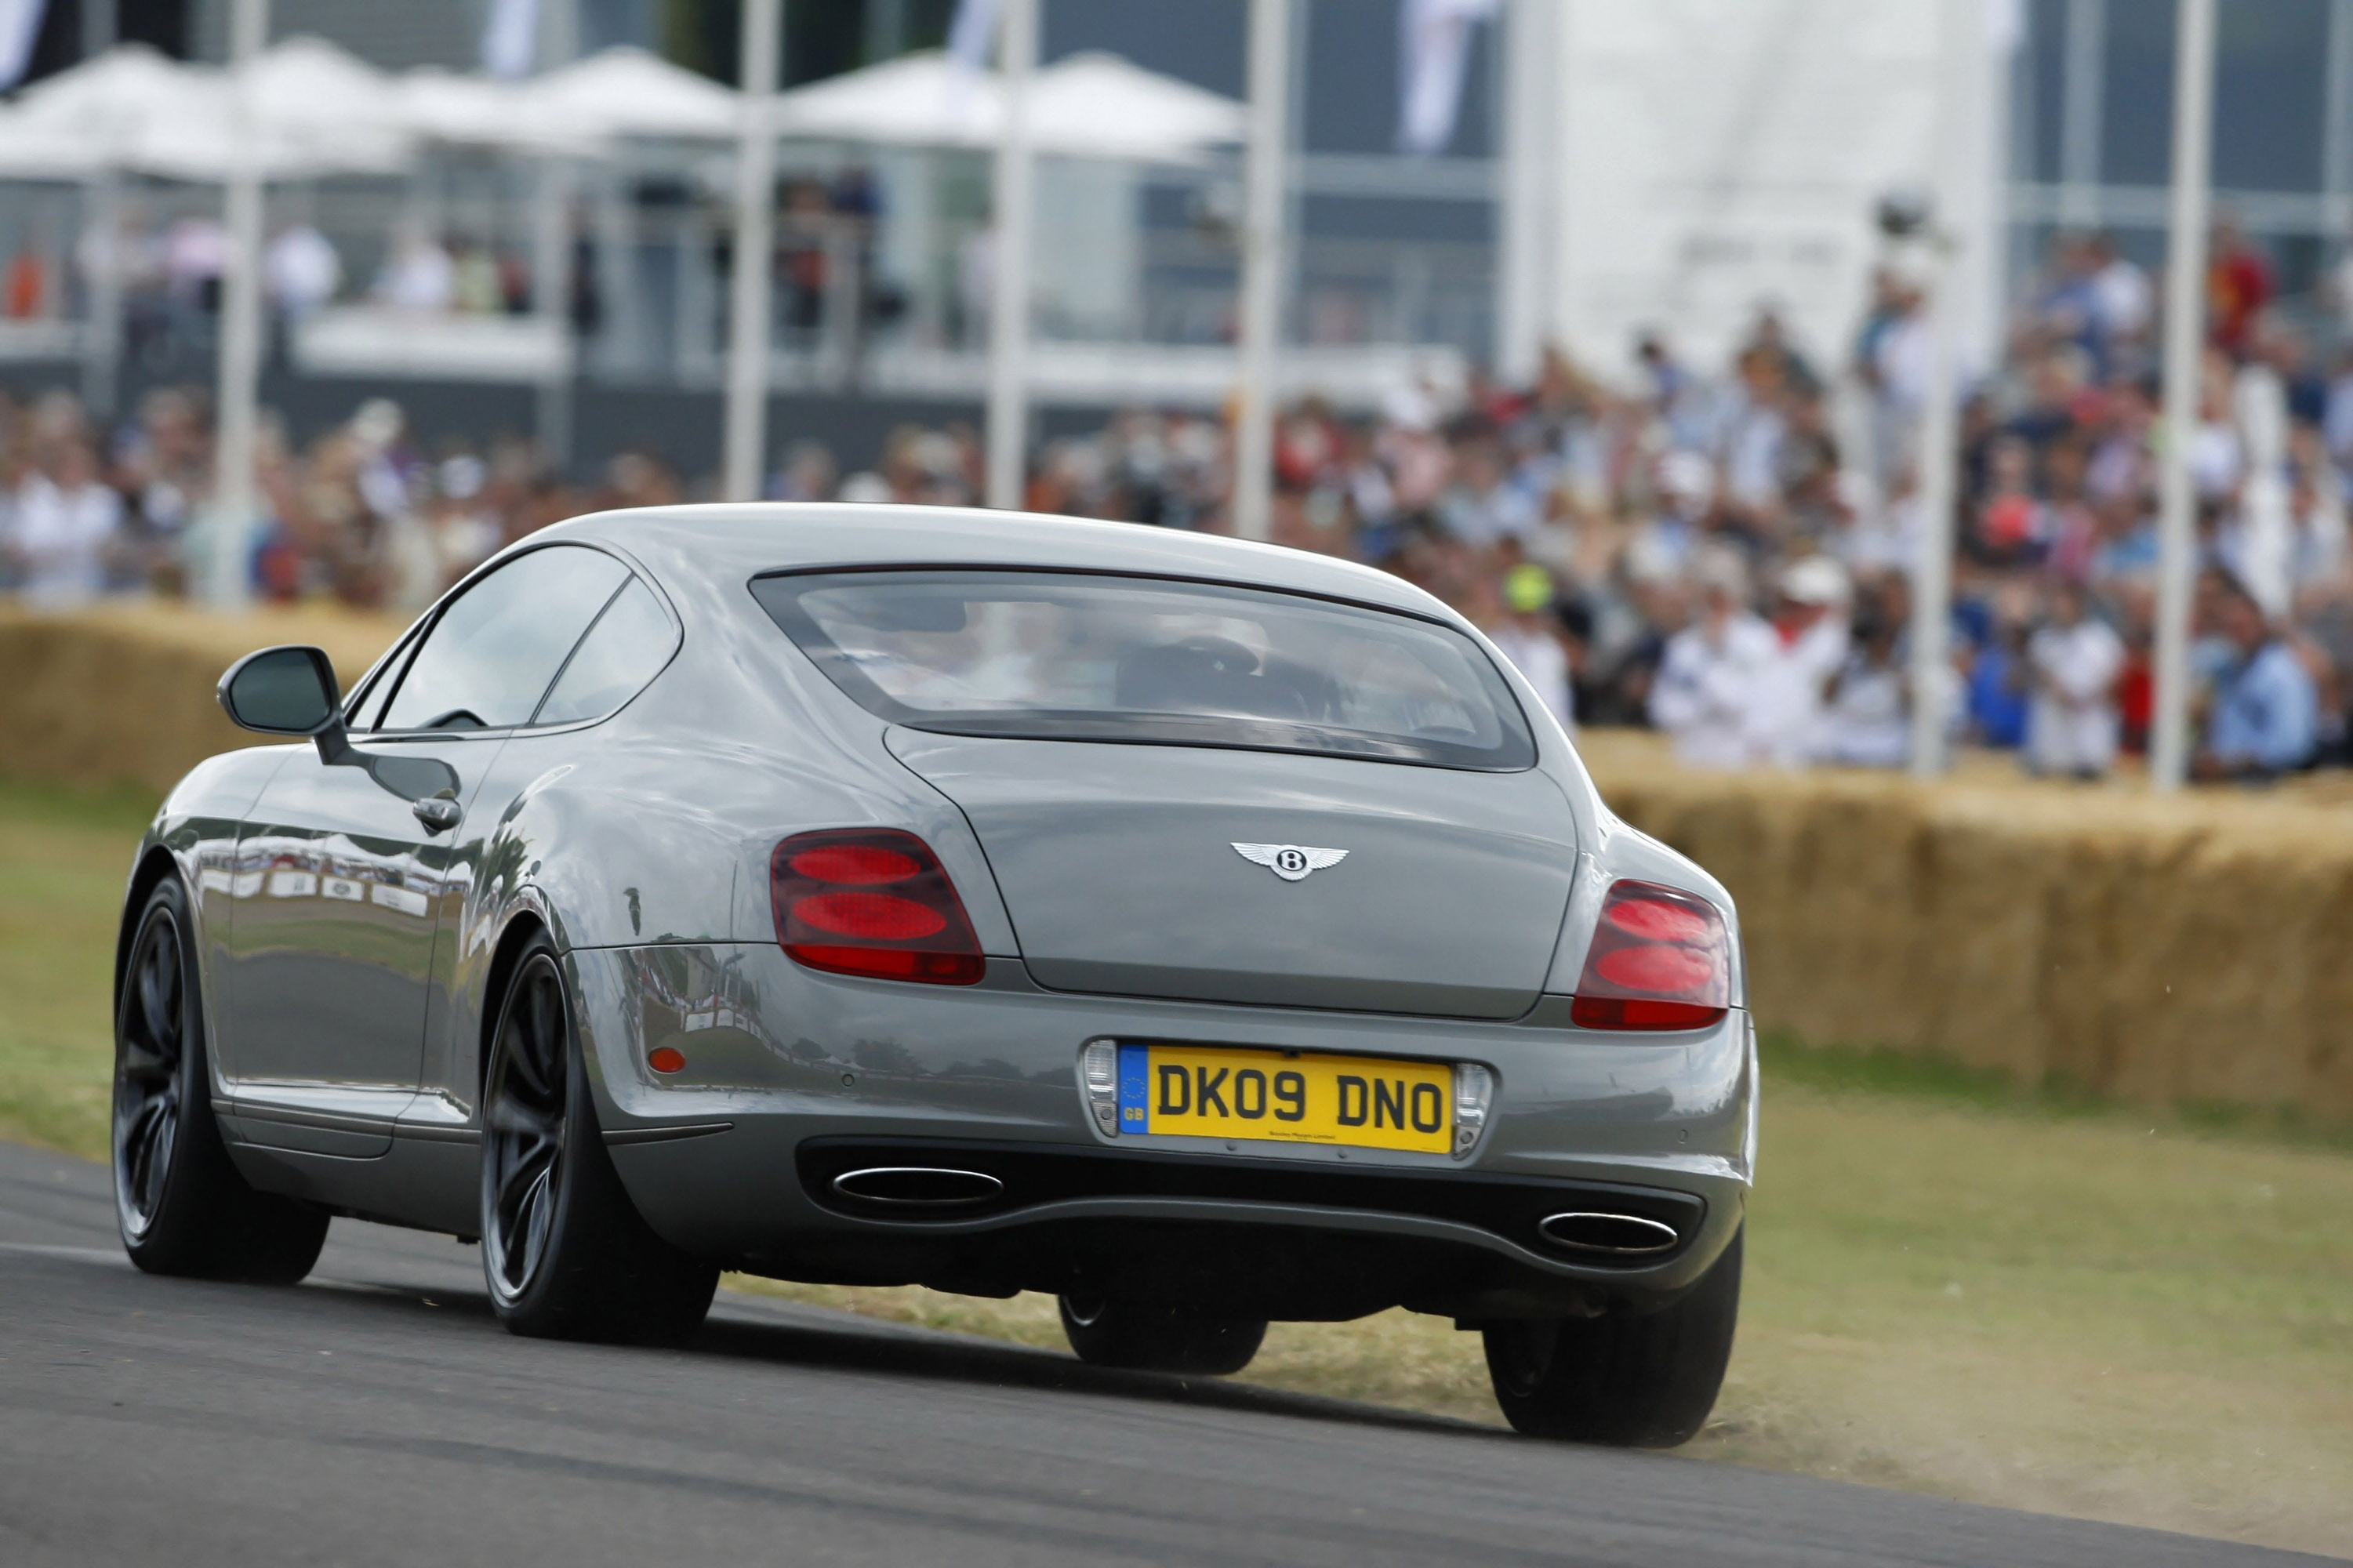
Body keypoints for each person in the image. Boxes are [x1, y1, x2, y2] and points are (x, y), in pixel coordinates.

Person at [1649, 547, 1777, 768]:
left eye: (1722, 596)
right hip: (1692, 755)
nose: (1717, 604)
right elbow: (1663, 707)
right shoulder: (1683, 646)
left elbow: (1769, 704)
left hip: (1742, 758)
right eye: (1711, 596)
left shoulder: (1760, 641)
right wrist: (1699, 708)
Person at [2195, 576, 2319, 779]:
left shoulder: (2283, 673)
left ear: (2260, 622)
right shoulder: (2224, 667)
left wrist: (2233, 762)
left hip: (2267, 785)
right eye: (2232, 626)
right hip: (2224, 785)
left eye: (2244, 625)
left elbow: (2293, 745)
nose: (2239, 632)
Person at [2023, 581, 2124, 779]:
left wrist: (2086, 695)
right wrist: (2056, 688)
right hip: (2052, 730)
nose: (2060, 608)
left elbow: (2116, 674)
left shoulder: (2100, 639)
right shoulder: (2044, 640)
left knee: (2087, 772)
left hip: (2089, 723)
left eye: (2065, 602)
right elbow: (2037, 670)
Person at [1490, 562, 1574, 731]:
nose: (1529, 620)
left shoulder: (1551, 651)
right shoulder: (1495, 647)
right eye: (1523, 614)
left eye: (1534, 613)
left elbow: (1559, 706)